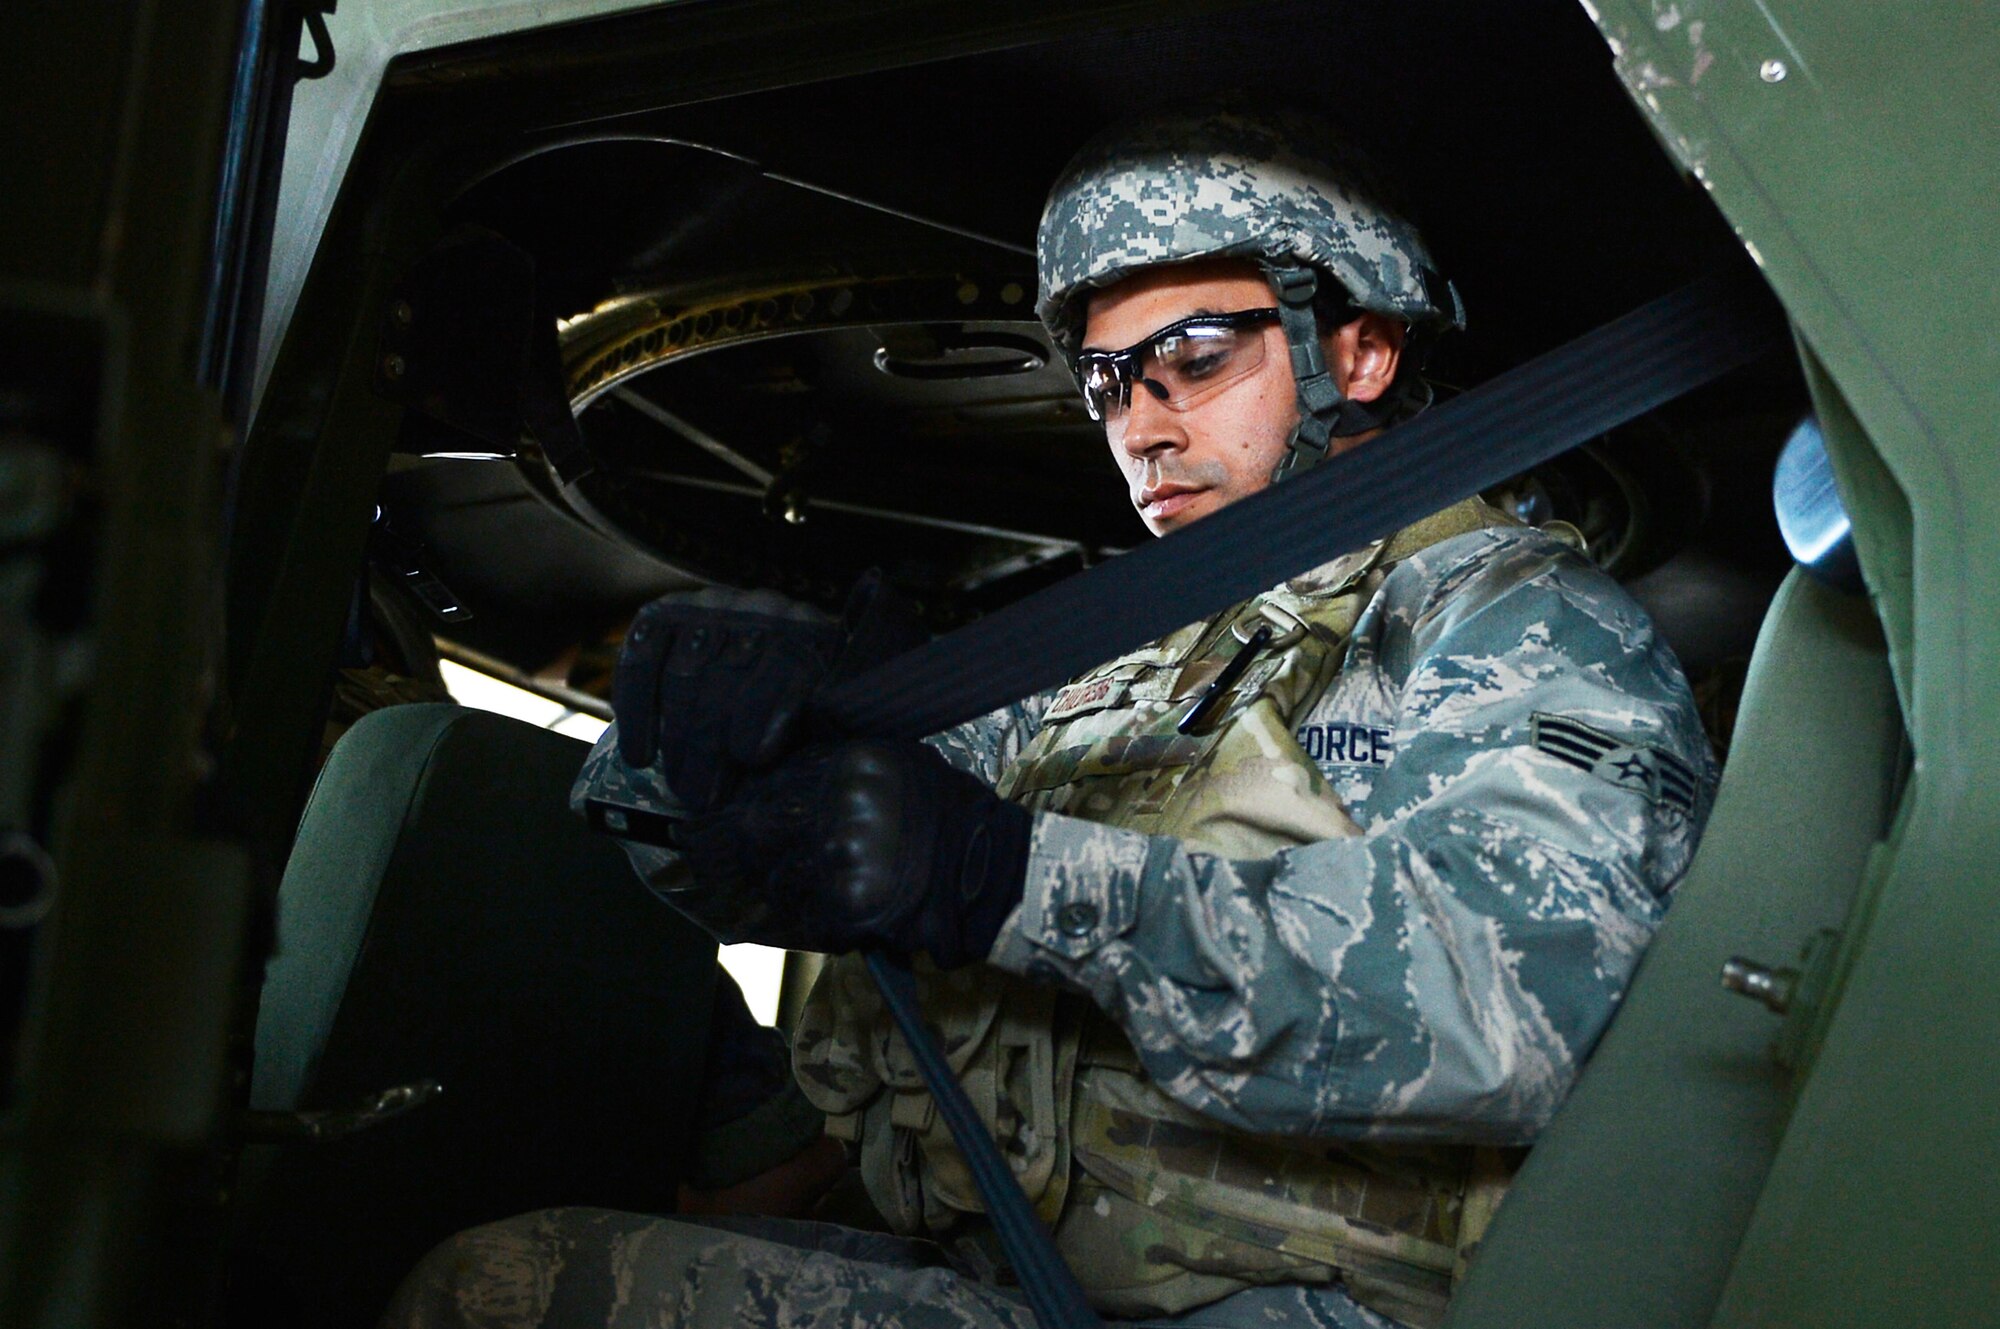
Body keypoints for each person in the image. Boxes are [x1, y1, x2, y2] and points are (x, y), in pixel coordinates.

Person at [382, 106, 1715, 1329]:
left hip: (1305, 1303)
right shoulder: (1119, 655)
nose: (1142, 424)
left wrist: (1014, 879)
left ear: (1358, 347)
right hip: (1026, 1265)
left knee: (502, 1293)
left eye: (1191, 358)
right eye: (1107, 383)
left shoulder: (1510, 617)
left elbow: (1527, 1004)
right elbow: (793, 854)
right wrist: (700, 749)